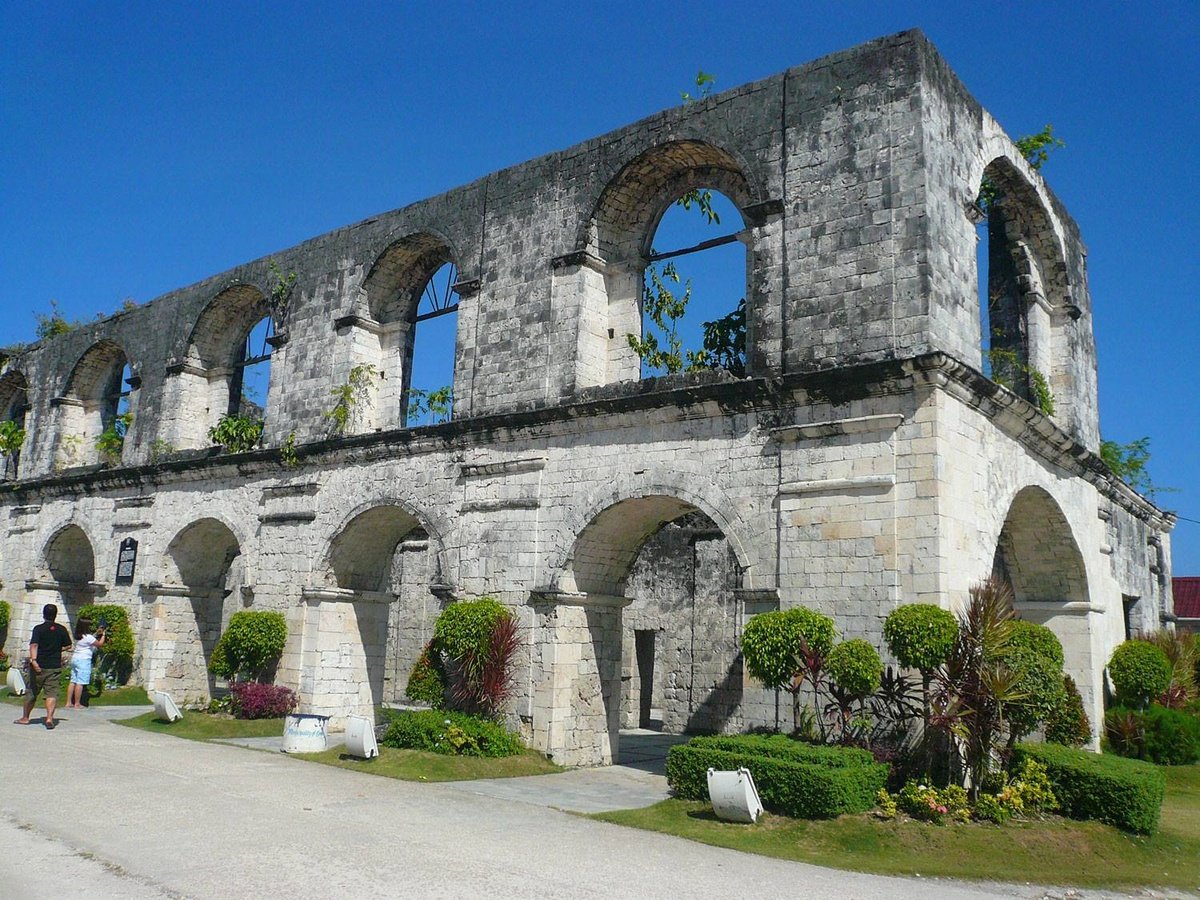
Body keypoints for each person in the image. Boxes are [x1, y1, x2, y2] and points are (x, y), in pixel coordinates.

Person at [14, 603, 73, 729]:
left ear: (44, 614)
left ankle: (25, 718)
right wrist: (57, 649)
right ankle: (49, 718)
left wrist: (34, 660)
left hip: (39, 665)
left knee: (32, 692)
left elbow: (34, 645)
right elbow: (69, 645)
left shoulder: (38, 629)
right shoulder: (61, 629)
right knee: (51, 693)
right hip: (54, 665)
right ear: (55, 615)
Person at [67, 617, 105, 709]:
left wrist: (97, 633)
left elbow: (92, 638)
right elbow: (99, 644)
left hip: (75, 658)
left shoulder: (78, 636)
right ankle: (77, 703)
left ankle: (68, 702)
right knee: (80, 682)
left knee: (73, 681)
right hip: (83, 660)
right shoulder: (88, 637)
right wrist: (103, 635)